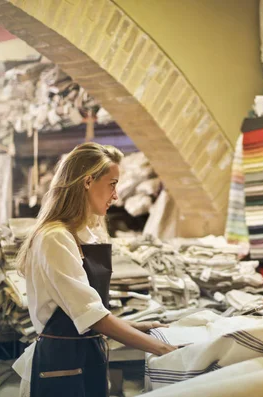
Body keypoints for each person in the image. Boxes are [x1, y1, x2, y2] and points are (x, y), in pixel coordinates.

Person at [12, 142, 177, 397]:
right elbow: (91, 315)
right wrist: (164, 350)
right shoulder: (54, 237)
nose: (116, 195)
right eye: (112, 184)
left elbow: (86, 310)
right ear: (88, 182)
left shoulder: (83, 235)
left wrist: (135, 326)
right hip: (60, 366)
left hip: (86, 356)